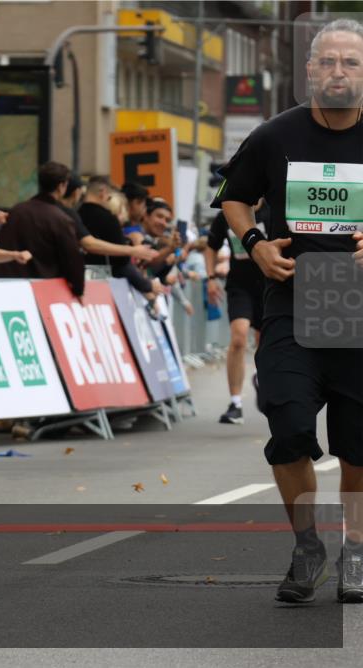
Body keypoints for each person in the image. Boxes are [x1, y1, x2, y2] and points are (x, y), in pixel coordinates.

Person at [213, 17, 363, 604]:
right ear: (309, 70)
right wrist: (255, 244)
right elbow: (233, 198)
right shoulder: (275, 136)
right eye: (327, 61)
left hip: (356, 304)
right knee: (288, 422)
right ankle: (308, 548)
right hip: (295, 302)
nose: (338, 71)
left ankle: (356, 553)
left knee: (358, 444)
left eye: (350, 61)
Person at [205, 199, 268, 425]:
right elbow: (211, 247)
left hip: (270, 285)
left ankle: (261, 379)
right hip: (240, 285)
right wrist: (211, 278)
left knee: (265, 342)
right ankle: (235, 403)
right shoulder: (228, 213)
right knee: (239, 338)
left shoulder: (274, 209)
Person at [0, 161, 85, 296]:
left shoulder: (16, 210)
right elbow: (72, 260)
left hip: (5, 286)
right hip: (42, 291)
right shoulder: (60, 219)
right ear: (61, 186)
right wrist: (78, 290)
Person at [79, 176, 160, 295]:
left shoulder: (76, 214)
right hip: (103, 287)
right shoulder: (107, 219)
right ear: (103, 193)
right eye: (109, 198)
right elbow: (121, 263)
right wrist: (147, 285)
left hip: (79, 280)